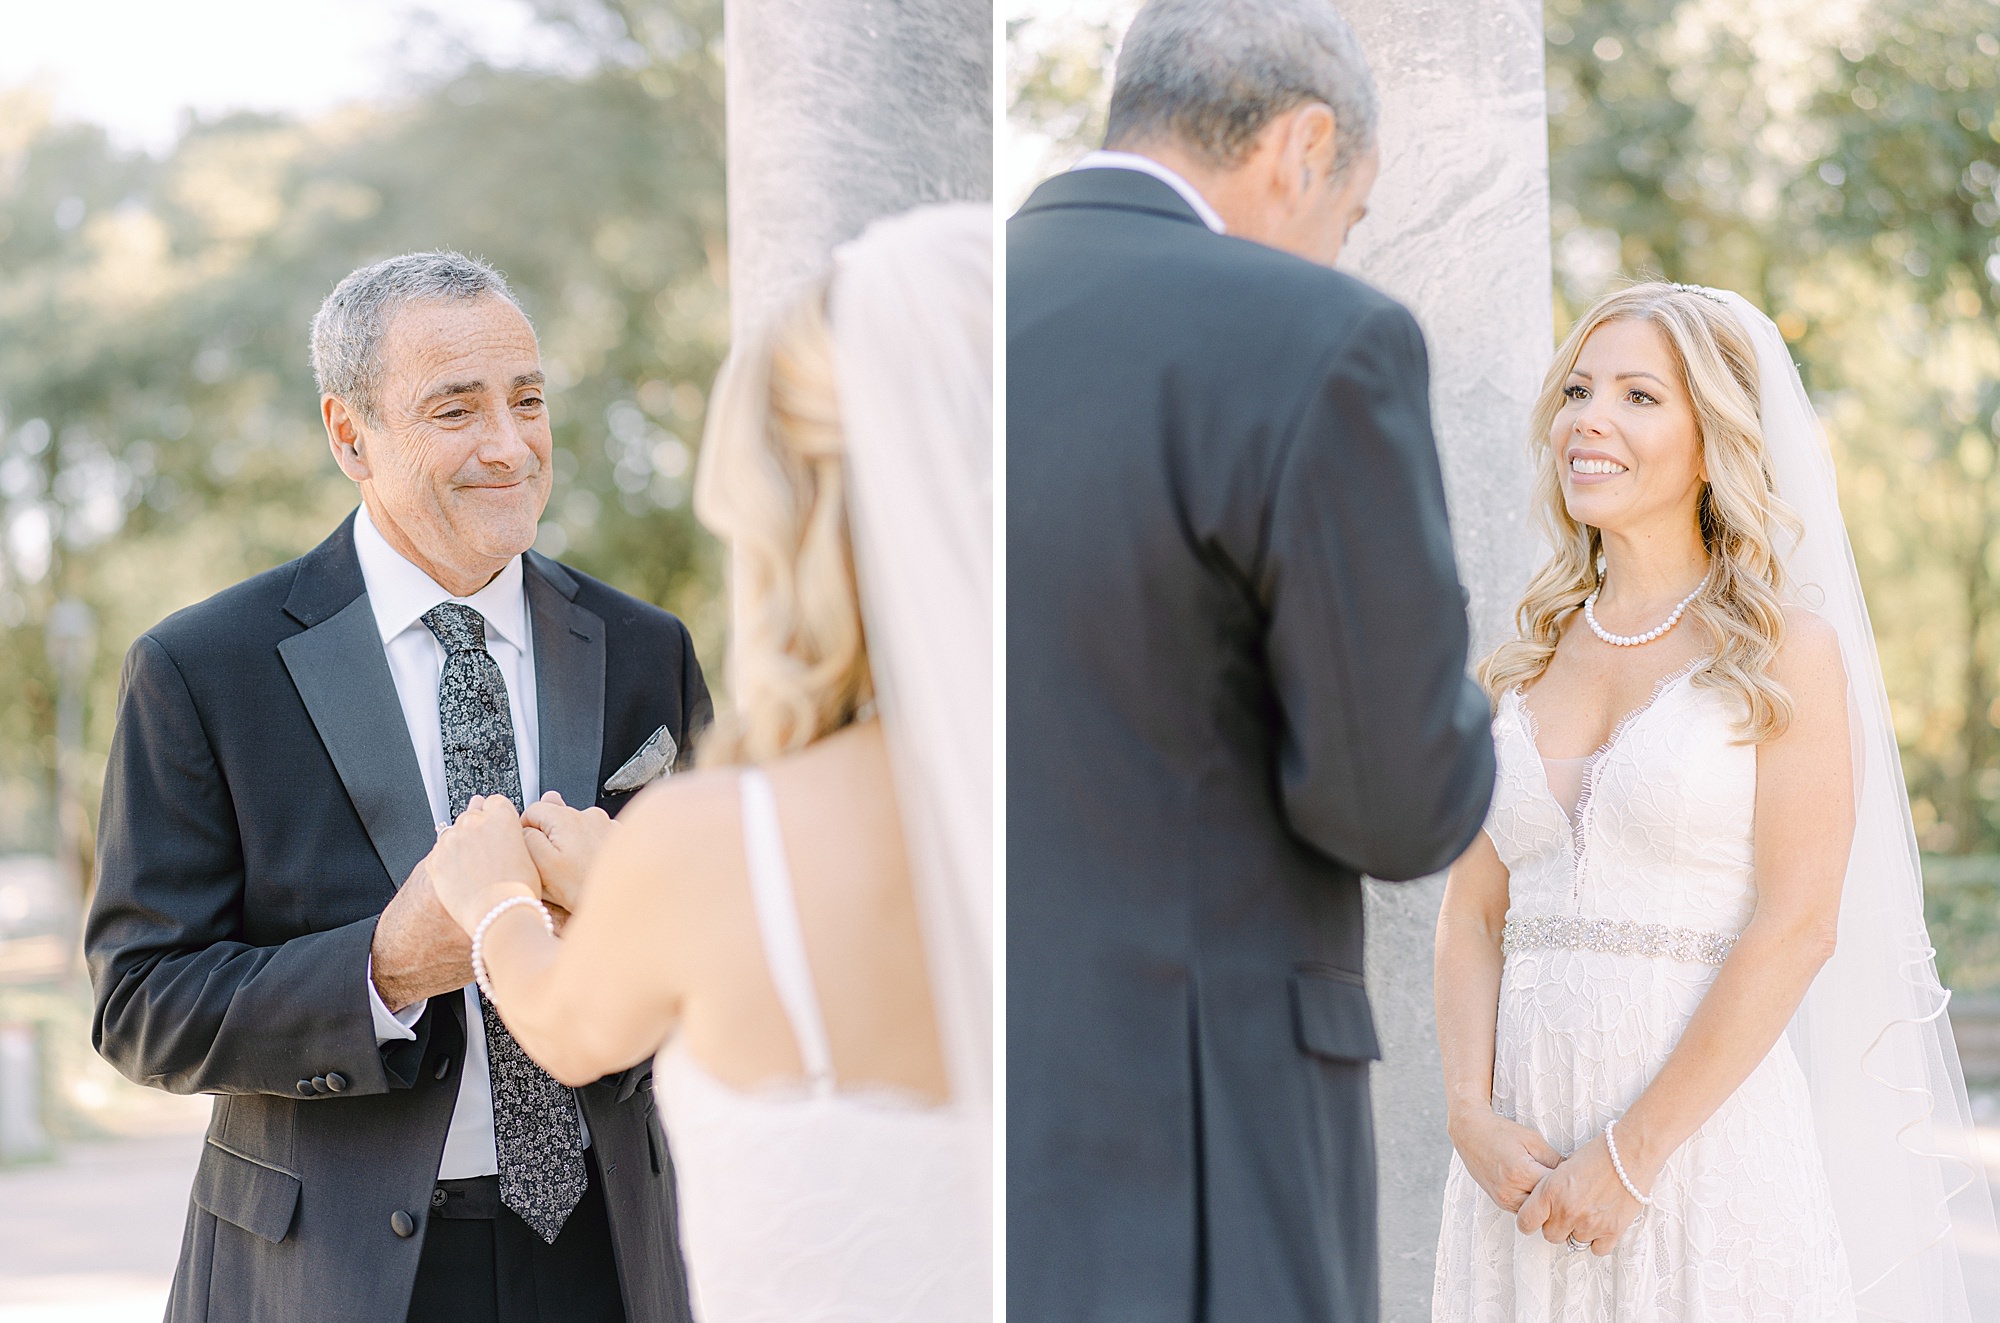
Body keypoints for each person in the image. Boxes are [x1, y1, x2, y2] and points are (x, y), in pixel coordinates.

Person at [85, 251, 709, 1323]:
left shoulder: (646, 649)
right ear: (348, 434)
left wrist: (635, 917)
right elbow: (142, 1005)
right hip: (329, 1274)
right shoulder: (202, 669)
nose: (509, 446)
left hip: (609, 1259)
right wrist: (382, 966)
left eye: (526, 400)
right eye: (455, 411)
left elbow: (719, 965)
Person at [1006, 2, 1496, 1318]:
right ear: (1304, 144)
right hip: (1200, 1138)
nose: (1343, 239)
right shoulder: (1319, 337)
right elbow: (1392, 801)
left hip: (933, 1104)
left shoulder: (885, 334)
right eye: (1356, 206)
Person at [422, 202, 991, 1323]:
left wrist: (494, 904)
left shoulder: (713, 841)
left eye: (528, 399)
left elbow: (573, 1027)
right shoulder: (1129, 787)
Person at [1433, 281, 1996, 1321]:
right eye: (1576, 390)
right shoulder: (1514, 665)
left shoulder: (1781, 654)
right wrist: (1467, 1111)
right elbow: (1470, 913)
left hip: (1699, 1150)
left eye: (1638, 396)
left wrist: (1630, 1156)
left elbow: (1796, 927)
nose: (1587, 419)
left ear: (1711, 441)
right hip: (1518, 1160)